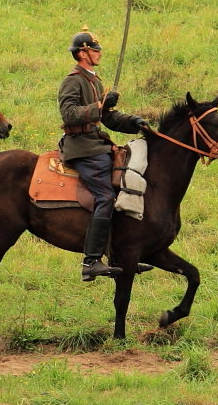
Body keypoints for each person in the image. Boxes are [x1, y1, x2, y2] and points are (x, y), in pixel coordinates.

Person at [58, 26, 150, 281]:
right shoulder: (73, 80)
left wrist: (134, 121)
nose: (99, 53)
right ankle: (91, 261)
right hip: (82, 147)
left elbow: (107, 118)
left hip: (97, 143)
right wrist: (99, 105)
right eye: (95, 49)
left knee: (127, 187)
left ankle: (121, 255)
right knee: (106, 195)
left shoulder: (95, 80)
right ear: (83, 53)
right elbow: (69, 114)